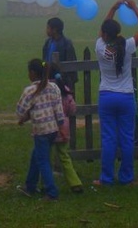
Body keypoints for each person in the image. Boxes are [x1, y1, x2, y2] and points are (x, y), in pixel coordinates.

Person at [94, 0, 138, 186]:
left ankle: (106, 178)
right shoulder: (127, 46)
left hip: (106, 96)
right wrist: (135, 7)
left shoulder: (100, 47)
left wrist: (112, 8)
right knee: (127, 138)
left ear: (104, 34)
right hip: (126, 96)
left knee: (108, 139)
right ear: (118, 33)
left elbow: (104, 28)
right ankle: (126, 177)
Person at [16, 58, 65, 200]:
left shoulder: (30, 91)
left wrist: (24, 117)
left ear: (32, 73)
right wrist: (61, 126)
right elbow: (58, 109)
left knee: (43, 161)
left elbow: (20, 110)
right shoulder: (54, 88)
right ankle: (30, 185)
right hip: (52, 129)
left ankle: (51, 192)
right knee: (36, 155)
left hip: (41, 131)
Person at [48, 62, 84, 193]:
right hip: (63, 127)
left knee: (44, 156)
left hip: (48, 127)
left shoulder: (46, 89)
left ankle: (46, 183)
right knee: (64, 156)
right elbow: (72, 108)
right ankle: (75, 183)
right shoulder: (65, 90)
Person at [42, 17, 78, 94]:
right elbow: (44, 60)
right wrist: (44, 67)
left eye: (48, 28)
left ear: (54, 30)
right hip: (49, 79)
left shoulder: (66, 44)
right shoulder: (47, 42)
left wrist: (66, 82)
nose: (46, 30)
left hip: (62, 81)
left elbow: (71, 65)